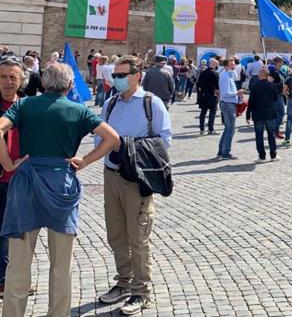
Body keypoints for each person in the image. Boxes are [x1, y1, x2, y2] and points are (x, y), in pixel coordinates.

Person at [0, 63, 120, 317]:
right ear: (70, 84)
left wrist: (8, 163)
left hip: (27, 183)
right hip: (61, 184)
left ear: (44, 83)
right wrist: (84, 160)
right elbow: (112, 138)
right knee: (61, 264)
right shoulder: (79, 110)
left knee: (18, 265)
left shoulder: (24, 105)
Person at [95, 56, 172, 315]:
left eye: (121, 75)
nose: (116, 79)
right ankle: (123, 282)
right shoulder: (111, 103)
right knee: (116, 234)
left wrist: (129, 147)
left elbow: (164, 140)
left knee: (138, 237)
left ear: (137, 75)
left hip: (137, 179)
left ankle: (141, 291)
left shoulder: (152, 103)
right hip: (111, 175)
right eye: (115, 75)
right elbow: (100, 138)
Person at [0, 58, 27, 294]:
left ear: (21, 80)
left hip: (21, 178)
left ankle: (9, 278)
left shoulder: (28, 106)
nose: (8, 82)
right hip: (2, 177)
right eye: (3, 77)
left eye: (13, 77)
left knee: (17, 232)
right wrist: (7, 164)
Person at [247, 68, 279, 162]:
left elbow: (251, 102)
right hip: (269, 113)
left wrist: (248, 115)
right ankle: (273, 155)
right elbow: (276, 99)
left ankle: (262, 156)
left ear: (260, 75)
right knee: (271, 134)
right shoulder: (273, 86)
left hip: (258, 113)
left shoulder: (255, 86)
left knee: (259, 135)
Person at [217, 58, 242, 160]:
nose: (234, 66)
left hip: (229, 104)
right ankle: (225, 152)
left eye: (234, 64)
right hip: (228, 104)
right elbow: (225, 93)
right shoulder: (225, 77)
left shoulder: (229, 75)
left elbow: (236, 76)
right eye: (232, 65)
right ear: (226, 66)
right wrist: (237, 93)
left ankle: (221, 151)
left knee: (228, 128)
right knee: (231, 129)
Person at [196, 58, 219, 135]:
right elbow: (217, 87)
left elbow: (198, 85)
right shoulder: (215, 73)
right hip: (212, 95)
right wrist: (218, 96)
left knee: (203, 112)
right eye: (216, 64)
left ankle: (202, 129)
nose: (217, 66)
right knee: (212, 113)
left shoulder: (202, 72)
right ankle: (210, 129)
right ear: (213, 64)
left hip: (203, 95)